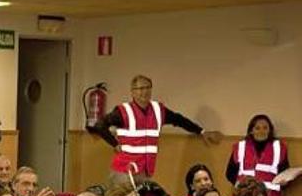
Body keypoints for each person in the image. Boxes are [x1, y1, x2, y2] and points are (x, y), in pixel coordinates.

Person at [91, 74, 222, 182]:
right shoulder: (123, 111)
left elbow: (178, 120)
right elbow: (100, 125)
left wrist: (201, 131)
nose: (144, 91)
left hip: (146, 169)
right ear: (133, 92)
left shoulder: (158, 110)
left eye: (148, 87)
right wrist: (114, 144)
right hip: (124, 169)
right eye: (140, 88)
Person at [227, 114, 292, 196]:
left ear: (270, 130)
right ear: (251, 131)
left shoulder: (279, 148)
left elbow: (285, 173)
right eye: (257, 128)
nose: (261, 131)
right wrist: (242, 187)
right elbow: (230, 173)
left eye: (265, 128)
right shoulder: (240, 147)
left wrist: (285, 183)